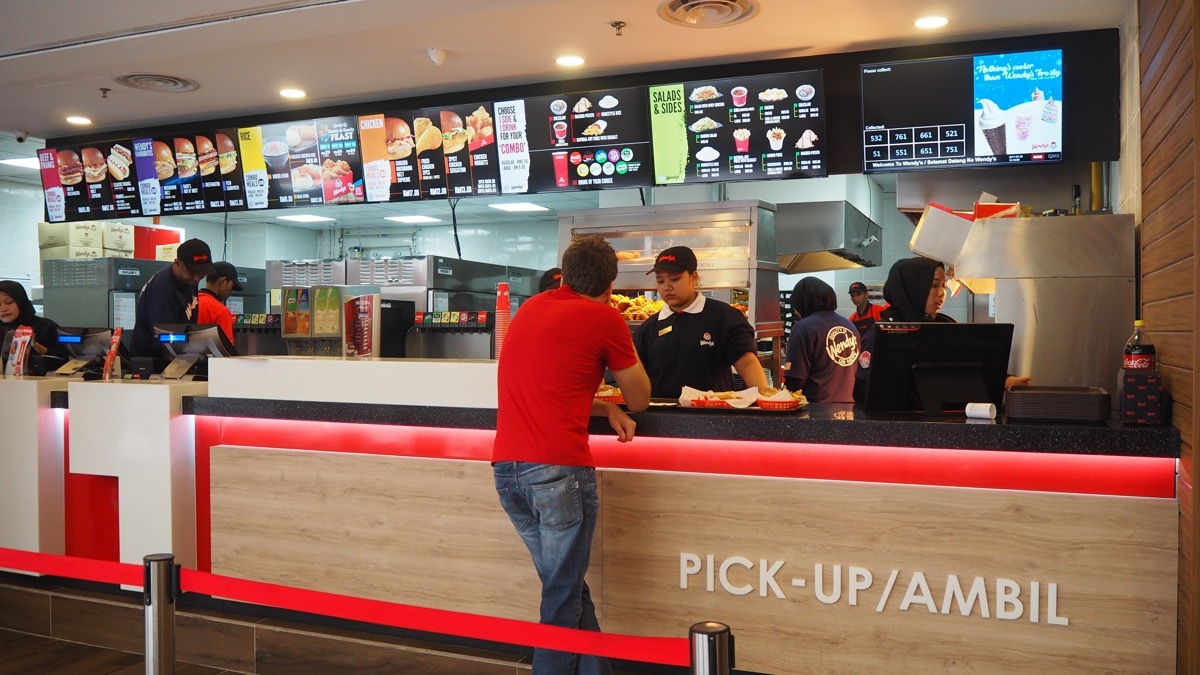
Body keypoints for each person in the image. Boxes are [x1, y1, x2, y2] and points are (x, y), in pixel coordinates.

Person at [492, 235, 650, 675]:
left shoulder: (529, 309)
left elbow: (553, 387)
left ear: (564, 276)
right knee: (562, 598)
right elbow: (640, 398)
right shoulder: (605, 317)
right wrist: (618, 397)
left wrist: (603, 407)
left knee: (568, 590)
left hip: (508, 473)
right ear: (610, 285)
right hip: (558, 473)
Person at [633, 246, 770, 399]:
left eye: (675, 279)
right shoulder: (648, 329)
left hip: (711, 411)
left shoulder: (724, 316)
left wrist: (764, 394)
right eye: (660, 281)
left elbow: (747, 363)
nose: (667, 287)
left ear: (694, 278)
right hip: (661, 411)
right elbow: (636, 376)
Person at [880, 256, 1030, 389]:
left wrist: (1004, 380)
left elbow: (970, 363)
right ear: (913, 287)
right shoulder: (888, 332)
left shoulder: (946, 325)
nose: (942, 293)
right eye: (934, 285)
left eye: (944, 286)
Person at [130, 238, 216, 359]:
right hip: (152, 360)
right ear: (177, 263)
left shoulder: (189, 280)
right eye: (192, 272)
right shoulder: (162, 290)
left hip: (177, 352)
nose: (197, 278)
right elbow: (165, 340)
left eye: (202, 273)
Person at [783, 277, 860, 402]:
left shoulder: (804, 327)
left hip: (817, 408)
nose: (796, 311)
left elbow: (795, 381)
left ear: (802, 302)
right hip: (850, 406)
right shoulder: (850, 326)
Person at [0, 280, 68, 374]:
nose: (3, 309)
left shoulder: (45, 326)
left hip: (40, 382)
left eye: (9, 302)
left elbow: (68, 359)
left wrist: (40, 349)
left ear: (21, 301)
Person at [197, 261, 243, 344]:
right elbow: (226, 348)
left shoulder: (190, 302)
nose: (231, 291)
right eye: (232, 286)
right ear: (223, 281)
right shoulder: (220, 311)